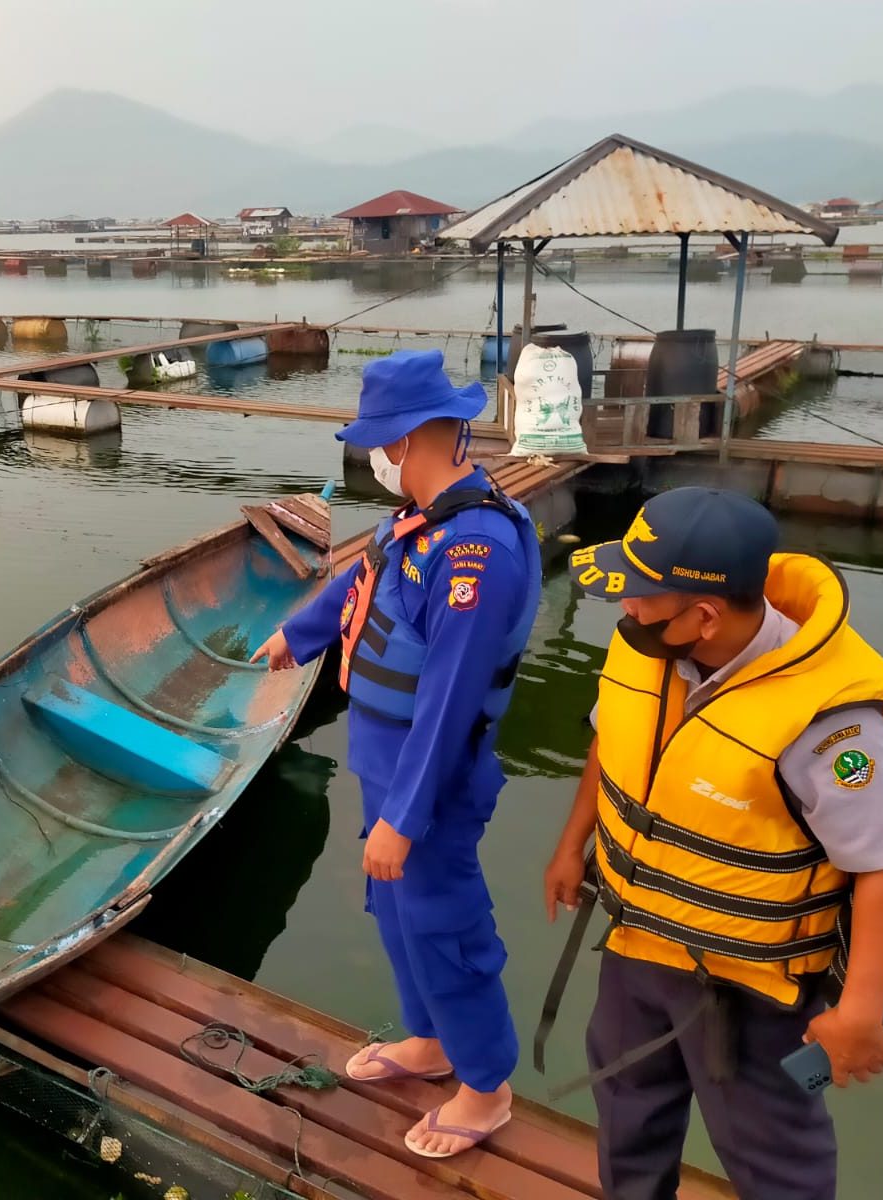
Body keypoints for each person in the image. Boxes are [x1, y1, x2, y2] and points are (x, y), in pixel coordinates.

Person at [542, 487, 883, 1200]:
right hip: (637, 947)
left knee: (774, 1151)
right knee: (628, 1113)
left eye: (641, 598)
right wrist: (573, 845)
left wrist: (860, 1013)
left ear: (706, 614)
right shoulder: (649, 646)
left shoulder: (832, 721)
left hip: (752, 992)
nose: (625, 610)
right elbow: (614, 741)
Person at [252, 348, 543, 1158]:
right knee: (394, 911)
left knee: (444, 919)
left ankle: (485, 1087)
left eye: (379, 441)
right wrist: (299, 635)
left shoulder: (475, 553)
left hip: (433, 776)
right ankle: (430, 1040)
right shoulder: (417, 519)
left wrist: (407, 819)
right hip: (381, 756)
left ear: (413, 437)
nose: (371, 456)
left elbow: (450, 703)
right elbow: (360, 585)